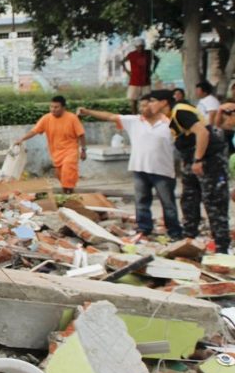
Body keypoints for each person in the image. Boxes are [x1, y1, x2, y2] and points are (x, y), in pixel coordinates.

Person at [77, 97, 181, 240]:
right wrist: (87, 111)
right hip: (140, 168)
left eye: (145, 105)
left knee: (168, 203)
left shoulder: (169, 123)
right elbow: (110, 116)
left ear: (155, 107)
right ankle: (143, 228)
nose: (141, 109)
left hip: (162, 170)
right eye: (140, 106)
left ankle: (175, 231)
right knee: (141, 201)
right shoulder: (134, 121)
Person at [147, 90, 230, 253]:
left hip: (210, 159)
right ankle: (189, 240)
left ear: (164, 102)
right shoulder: (171, 115)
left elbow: (202, 132)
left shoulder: (180, 110)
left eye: (152, 101)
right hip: (191, 158)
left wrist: (198, 159)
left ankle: (222, 247)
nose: (150, 105)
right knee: (189, 200)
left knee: (214, 202)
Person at [14, 96, 86, 193]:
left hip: (71, 150)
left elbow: (81, 134)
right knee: (60, 175)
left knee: (68, 170)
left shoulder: (72, 118)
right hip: (56, 152)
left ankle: (68, 193)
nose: (53, 109)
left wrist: (83, 150)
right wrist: (22, 139)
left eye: (56, 107)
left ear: (63, 108)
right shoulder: (46, 118)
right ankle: (68, 192)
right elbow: (34, 131)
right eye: (51, 107)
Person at [122, 38, 157, 114]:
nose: (140, 48)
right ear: (135, 47)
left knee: (147, 101)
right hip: (134, 81)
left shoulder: (149, 53)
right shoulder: (131, 54)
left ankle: (146, 116)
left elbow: (157, 59)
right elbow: (122, 61)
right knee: (133, 100)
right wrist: (127, 71)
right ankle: (134, 116)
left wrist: (153, 70)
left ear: (144, 46)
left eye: (142, 46)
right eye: (138, 46)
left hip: (146, 81)